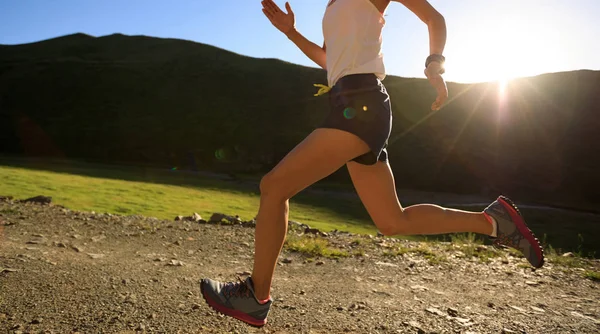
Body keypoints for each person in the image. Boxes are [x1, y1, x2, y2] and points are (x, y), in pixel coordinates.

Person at [201, 0, 545, 327]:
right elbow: (329, 59)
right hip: (348, 102)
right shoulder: (333, 6)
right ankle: (493, 223)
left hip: (363, 103)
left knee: (274, 187)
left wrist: (434, 65)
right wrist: (290, 33)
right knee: (392, 221)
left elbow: (433, 18)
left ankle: (256, 296)